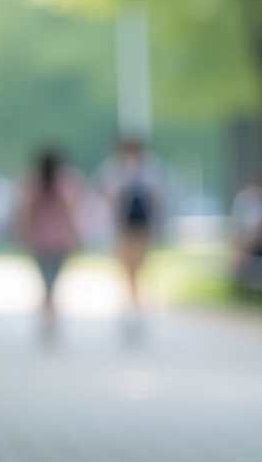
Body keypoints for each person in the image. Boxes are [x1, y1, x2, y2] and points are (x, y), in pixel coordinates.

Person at [98, 137, 164, 341]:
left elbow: (156, 199)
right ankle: (130, 308)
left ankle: (138, 308)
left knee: (140, 269)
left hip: (141, 227)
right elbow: (108, 196)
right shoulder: (115, 169)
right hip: (124, 227)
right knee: (126, 270)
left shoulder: (150, 169)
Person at [14, 148, 83, 341]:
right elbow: (71, 214)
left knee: (46, 282)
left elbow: (26, 213)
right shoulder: (65, 184)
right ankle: (50, 318)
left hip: (39, 241)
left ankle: (47, 318)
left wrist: (23, 234)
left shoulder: (32, 184)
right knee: (52, 282)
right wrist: (76, 235)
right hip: (59, 241)